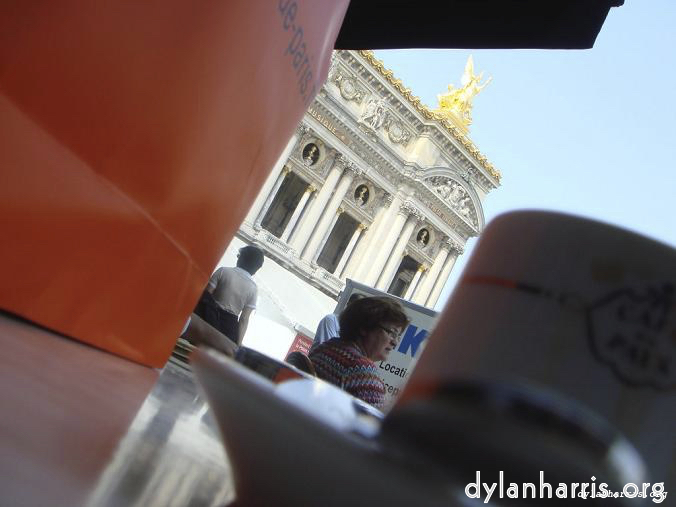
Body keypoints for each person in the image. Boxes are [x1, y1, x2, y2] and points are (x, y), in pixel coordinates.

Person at [309, 296, 409, 409]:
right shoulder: (361, 371)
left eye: (398, 336)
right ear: (365, 328)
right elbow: (375, 419)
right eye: (392, 333)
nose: (395, 342)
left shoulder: (325, 348)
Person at [195, 245, 264, 345]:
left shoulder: (223, 271)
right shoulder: (253, 288)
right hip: (229, 328)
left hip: (207, 318)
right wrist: (238, 344)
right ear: (257, 268)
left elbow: (205, 296)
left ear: (240, 259)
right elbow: (244, 319)